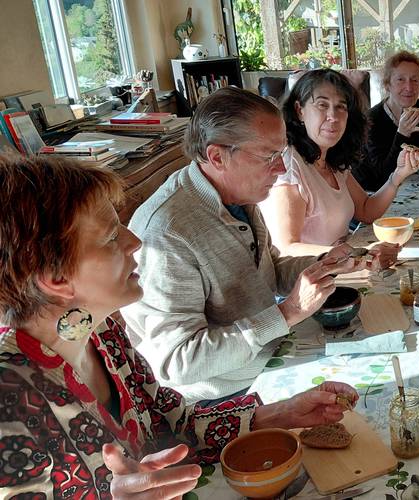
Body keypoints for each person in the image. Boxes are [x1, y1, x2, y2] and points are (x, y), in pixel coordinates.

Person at [0, 154, 358, 498]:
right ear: (56, 279)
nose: (134, 241)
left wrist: (279, 413)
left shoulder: (101, 334)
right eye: (111, 237)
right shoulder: (9, 404)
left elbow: (173, 424)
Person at [122, 88, 364, 402]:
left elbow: (268, 270)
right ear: (217, 156)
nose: (280, 169)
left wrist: (325, 263)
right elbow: (178, 362)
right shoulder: (167, 233)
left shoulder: (238, 194)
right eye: (269, 157)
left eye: (282, 153)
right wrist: (288, 313)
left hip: (269, 353)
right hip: (223, 397)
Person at [259, 69, 419, 258]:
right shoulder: (289, 168)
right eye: (322, 105)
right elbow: (287, 249)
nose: (333, 116)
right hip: (311, 279)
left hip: (341, 269)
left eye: (341, 107)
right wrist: (357, 253)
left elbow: (366, 210)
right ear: (300, 111)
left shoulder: (330, 159)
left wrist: (398, 175)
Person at [356, 50, 419, 191]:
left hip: (417, 187)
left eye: (415, 80)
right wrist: (402, 133)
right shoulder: (372, 119)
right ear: (388, 85)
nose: (409, 87)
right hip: (378, 194)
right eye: (400, 80)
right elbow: (383, 175)